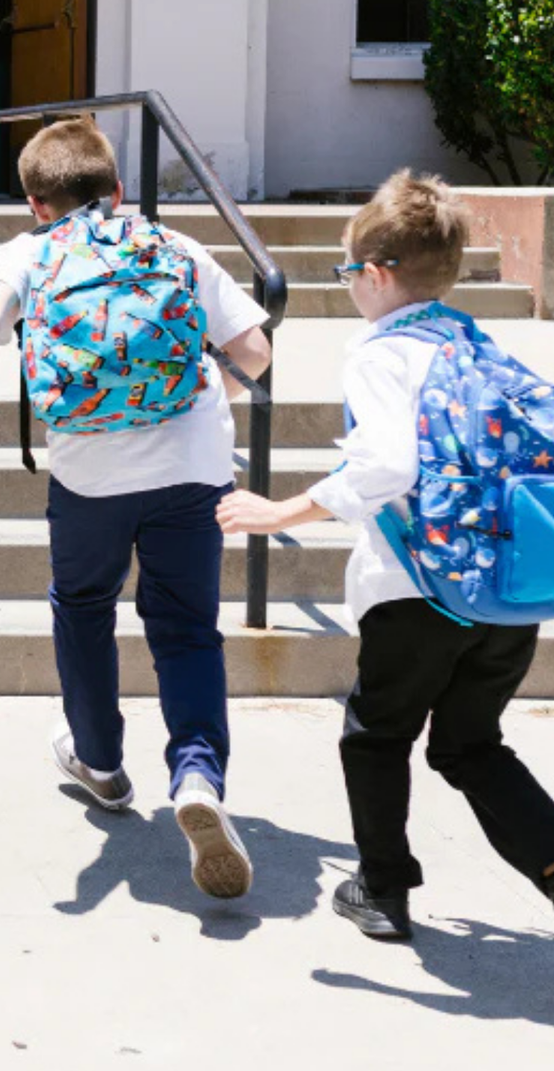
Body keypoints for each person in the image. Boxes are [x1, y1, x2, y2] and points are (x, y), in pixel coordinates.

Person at [219, 170, 554, 939]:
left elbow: (386, 466)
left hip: (416, 590)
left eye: (349, 274)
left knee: (375, 735)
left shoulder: (380, 353)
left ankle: (382, 888)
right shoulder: (476, 343)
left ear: (374, 274)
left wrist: (281, 512)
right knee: (471, 745)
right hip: (506, 590)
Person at [0, 118, 272, 898]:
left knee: (85, 606)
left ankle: (99, 761)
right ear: (119, 190)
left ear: (35, 203)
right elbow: (256, 352)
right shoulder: (175, 246)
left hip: (90, 473)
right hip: (193, 468)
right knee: (187, 628)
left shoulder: (32, 251)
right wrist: (206, 400)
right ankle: (196, 777)